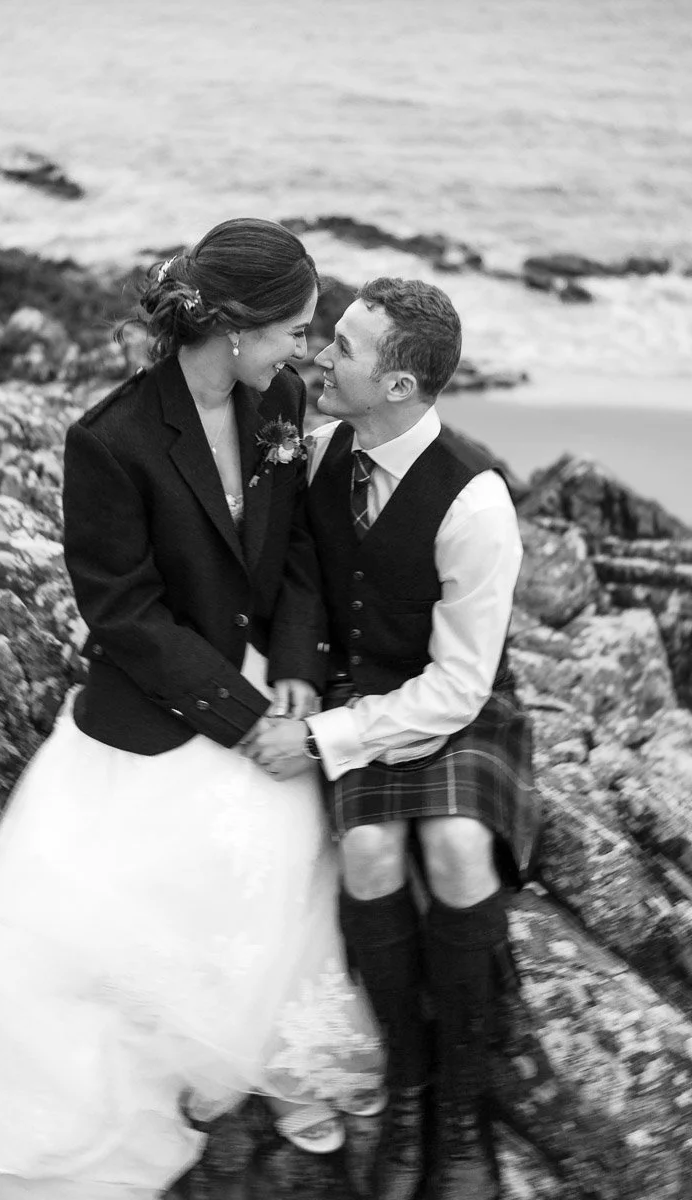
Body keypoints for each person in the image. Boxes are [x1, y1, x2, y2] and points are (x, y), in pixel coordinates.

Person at [0, 219, 384, 1200]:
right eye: (293, 329)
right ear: (234, 329)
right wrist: (250, 721)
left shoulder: (278, 400)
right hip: (158, 703)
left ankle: (258, 1056)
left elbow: (293, 557)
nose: (306, 351)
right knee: (203, 863)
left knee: (299, 845)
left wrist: (292, 670)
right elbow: (123, 616)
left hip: (258, 678)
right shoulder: (109, 441)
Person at [244, 277, 539, 1200]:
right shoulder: (322, 443)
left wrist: (325, 739)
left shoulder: (476, 503)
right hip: (357, 681)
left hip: (457, 700)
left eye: (343, 349)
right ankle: (409, 1090)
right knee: (370, 853)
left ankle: (461, 1107)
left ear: (402, 386)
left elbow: (459, 682)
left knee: (455, 850)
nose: (320, 357)